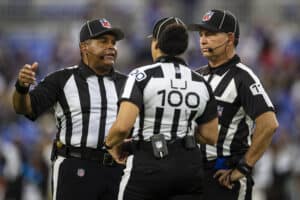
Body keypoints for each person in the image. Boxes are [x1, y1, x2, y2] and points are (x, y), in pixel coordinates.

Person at [104, 17, 219, 200]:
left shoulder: (141, 76)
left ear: (157, 43)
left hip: (149, 166)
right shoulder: (201, 82)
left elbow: (122, 127)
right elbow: (210, 135)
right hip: (188, 169)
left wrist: (111, 144)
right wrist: (180, 138)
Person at [12, 18, 127, 200]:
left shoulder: (127, 83)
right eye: (103, 41)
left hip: (117, 169)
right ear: (84, 47)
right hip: (75, 167)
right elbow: (24, 108)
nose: (111, 47)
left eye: (113, 42)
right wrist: (21, 87)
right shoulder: (61, 79)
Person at [188, 9, 279, 200]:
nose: (203, 40)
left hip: (224, 177)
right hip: (193, 173)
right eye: (201, 35)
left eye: (210, 34)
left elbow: (269, 124)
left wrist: (243, 167)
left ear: (230, 38)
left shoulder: (243, 77)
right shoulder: (195, 76)